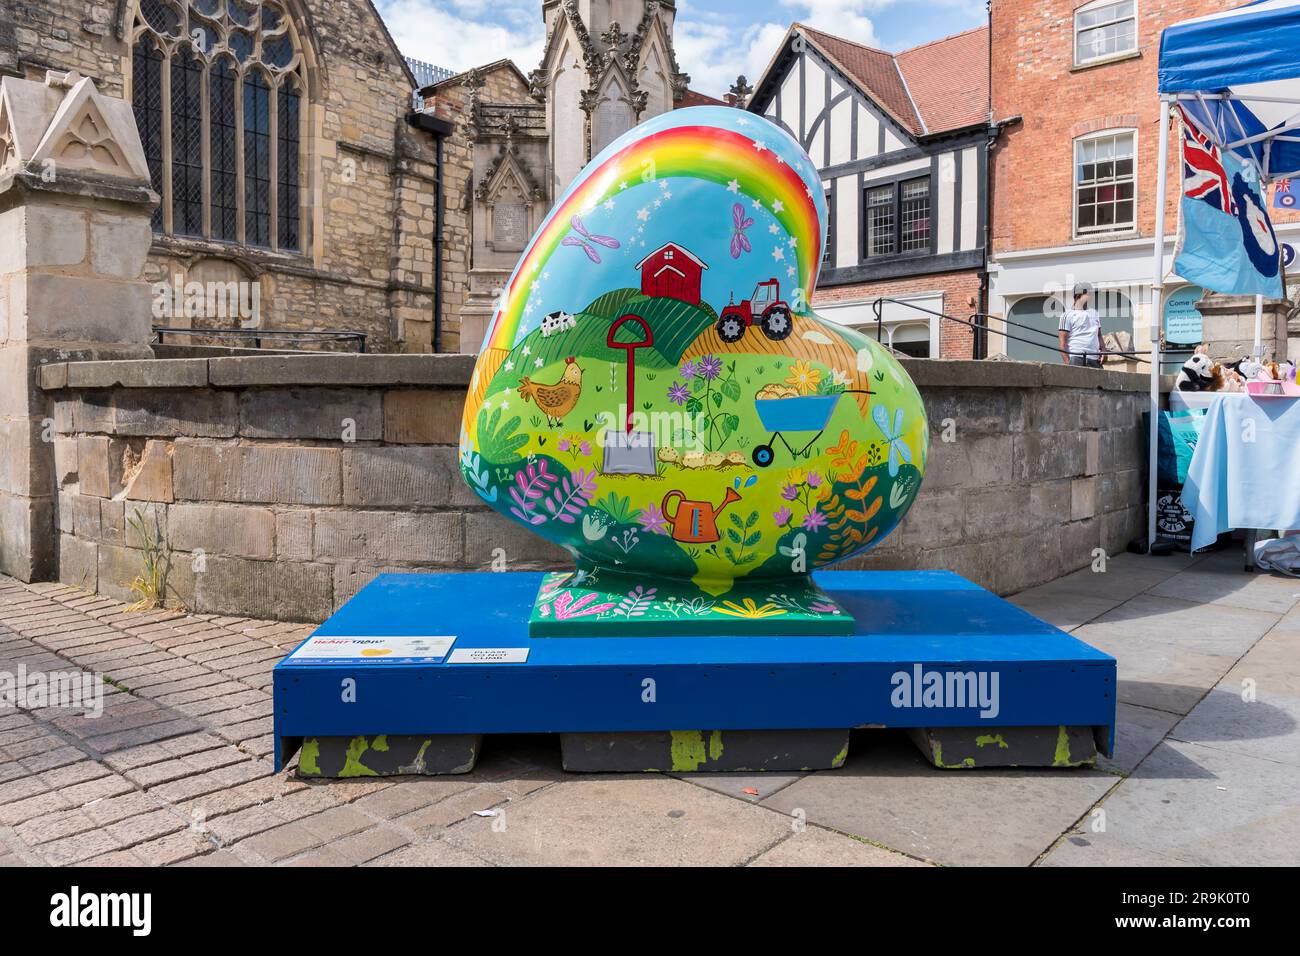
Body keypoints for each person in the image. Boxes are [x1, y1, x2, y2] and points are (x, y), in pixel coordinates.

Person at [1058, 286, 1106, 368]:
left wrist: (1104, 351)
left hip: (1095, 358)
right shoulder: (1067, 315)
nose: (1091, 296)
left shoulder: (1094, 313)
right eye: (1088, 293)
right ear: (1078, 295)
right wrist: (1069, 364)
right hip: (1076, 358)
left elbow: (1099, 335)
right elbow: (1062, 344)